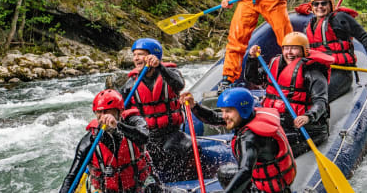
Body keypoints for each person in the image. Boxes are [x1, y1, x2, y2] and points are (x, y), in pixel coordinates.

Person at [106, 38, 196, 183]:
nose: (136, 58)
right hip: (147, 136)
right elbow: (121, 112)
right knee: (146, 156)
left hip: (171, 132)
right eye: (134, 55)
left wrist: (160, 66)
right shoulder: (130, 85)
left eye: (140, 54)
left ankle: (182, 182)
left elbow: (179, 85)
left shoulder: (170, 73)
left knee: (176, 148)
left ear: (153, 55)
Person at [180, 88, 296, 193]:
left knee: (231, 176)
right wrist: (194, 106)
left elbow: (245, 171)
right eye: (223, 111)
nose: (224, 115)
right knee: (225, 173)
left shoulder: (251, 138)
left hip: (270, 190)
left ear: (242, 110)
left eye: (228, 111)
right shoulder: (250, 116)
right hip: (270, 182)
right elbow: (214, 117)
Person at [245, 32, 333, 157]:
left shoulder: (313, 72)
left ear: (305, 51)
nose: (289, 52)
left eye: (295, 48)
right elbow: (254, 79)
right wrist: (252, 59)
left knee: (268, 146)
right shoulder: (274, 65)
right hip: (279, 120)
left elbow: (321, 102)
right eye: (286, 48)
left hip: (306, 127)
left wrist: (308, 116)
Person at [59, 89, 160, 193]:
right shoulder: (89, 141)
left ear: (120, 112)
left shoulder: (133, 122)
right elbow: (71, 178)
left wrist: (117, 126)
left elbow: (144, 137)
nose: (103, 116)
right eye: (99, 112)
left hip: (139, 188)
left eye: (107, 111)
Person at [305, 0, 367, 102]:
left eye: (324, 3)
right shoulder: (311, 25)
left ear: (331, 5)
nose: (320, 6)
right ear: (312, 7)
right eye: (316, 4)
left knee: (316, 96)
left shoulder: (340, 18)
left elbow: (363, 37)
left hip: (340, 72)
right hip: (319, 70)